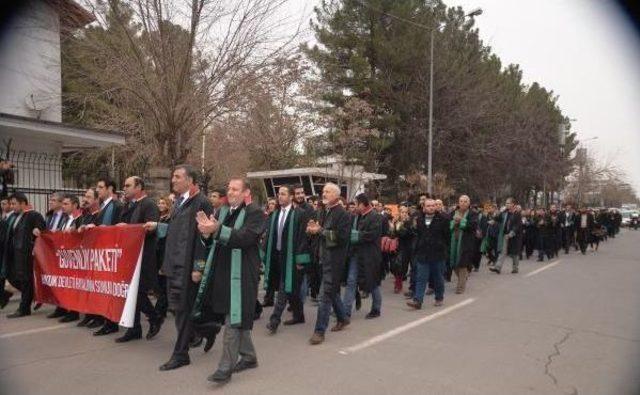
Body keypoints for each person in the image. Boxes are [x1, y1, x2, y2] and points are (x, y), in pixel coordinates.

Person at [192, 177, 265, 384]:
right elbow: (210, 240)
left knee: (233, 318)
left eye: (235, 189)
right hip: (222, 272)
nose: (231, 192)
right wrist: (206, 232)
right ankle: (249, 357)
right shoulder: (222, 211)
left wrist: (216, 230)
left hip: (242, 274)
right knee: (232, 315)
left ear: (245, 193)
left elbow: (244, 238)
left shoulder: (255, 213)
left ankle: (225, 368)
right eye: (229, 189)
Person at [148, 165, 213, 371]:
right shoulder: (178, 201)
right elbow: (176, 234)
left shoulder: (201, 202)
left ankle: (181, 354)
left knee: (183, 309)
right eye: (173, 176)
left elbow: (204, 239)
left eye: (177, 177)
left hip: (187, 268)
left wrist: (198, 268)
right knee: (176, 308)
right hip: (173, 265)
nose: (173, 180)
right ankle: (207, 330)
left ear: (190, 180)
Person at [114, 176, 163, 343]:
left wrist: (127, 228)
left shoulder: (149, 204)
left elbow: (152, 228)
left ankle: (154, 316)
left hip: (145, 255)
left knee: (139, 292)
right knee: (130, 293)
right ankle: (134, 328)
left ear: (139, 187)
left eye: (128, 185)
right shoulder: (129, 205)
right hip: (131, 255)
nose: (125, 188)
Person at [263, 185, 311, 334]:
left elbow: (303, 239)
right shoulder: (274, 214)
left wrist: (300, 260)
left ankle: (274, 320)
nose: (280, 196)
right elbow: (269, 237)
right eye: (279, 194)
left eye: (283, 194)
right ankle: (299, 315)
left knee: (285, 287)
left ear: (291, 197)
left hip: (291, 257)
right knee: (292, 289)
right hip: (276, 255)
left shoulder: (300, 214)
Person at [307, 183, 351, 345]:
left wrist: (320, 231)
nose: (323, 194)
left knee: (324, 295)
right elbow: (318, 233)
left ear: (337, 195)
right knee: (331, 292)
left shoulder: (343, 215)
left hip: (333, 261)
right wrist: (311, 230)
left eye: (328, 191)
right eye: (323, 191)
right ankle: (343, 318)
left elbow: (341, 238)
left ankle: (319, 331)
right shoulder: (322, 211)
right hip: (320, 258)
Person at [91, 177, 124, 336]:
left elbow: (120, 228)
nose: (98, 190)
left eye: (100, 187)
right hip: (102, 253)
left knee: (110, 290)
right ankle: (107, 321)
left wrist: (107, 229)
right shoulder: (103, 206)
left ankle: (111, 323)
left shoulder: (117, 206)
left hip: (112, 254)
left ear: (110, 189)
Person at [343, 193, 383, 319]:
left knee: (372, 283)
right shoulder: (356, 216)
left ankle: (376, 308)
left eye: (356, 204)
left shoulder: (375, 217)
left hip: (370, 256)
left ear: (362, 204)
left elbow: (373, 235)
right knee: (351, 281)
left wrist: (357, 236)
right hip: (356, 254)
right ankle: (346, 311)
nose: (354, 207)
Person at [5, 193, 45, 318]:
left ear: (23, 203)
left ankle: (24, 308)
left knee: (25, 280)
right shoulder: (16, 216)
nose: (12, 206)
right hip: (15, 254)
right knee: (14, 278)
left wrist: (37, 230)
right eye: (11, 204)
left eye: (14, 204)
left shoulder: (33, 215)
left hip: (26, 254)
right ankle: (32, 296)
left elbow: (42, 228)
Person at [407, 198, 449, 309]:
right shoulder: (419, 219)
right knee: (421, 277)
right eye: (428, 205)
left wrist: (442, 247)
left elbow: (447, 236)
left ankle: (439, 297)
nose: (431, 207)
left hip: (438, 254)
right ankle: (418, 301)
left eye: (433, 205)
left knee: (438, 278)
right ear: (424, 207)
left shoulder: (443, 219)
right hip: (423, 253)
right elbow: (417, 234)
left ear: (436, 207)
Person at [448, 195, 477, 294]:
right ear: (458, 202)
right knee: (454, 264)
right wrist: (453, 222)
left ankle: (460, 287)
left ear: (469, 203)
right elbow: (448, 224)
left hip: (465, 243)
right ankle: (464, 277)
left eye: (465, 201)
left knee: (462, 264)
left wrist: (461, 221)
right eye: (461, 201)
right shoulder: (453, 212)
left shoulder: (472, 214)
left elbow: (473, 226)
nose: (463, 203)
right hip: (453, 242)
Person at [490, 198, 523, 274]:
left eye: (508, 203)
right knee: (502, 251)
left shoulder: (517, 214)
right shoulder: (505, 212)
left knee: (515, 253)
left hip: (514, 236)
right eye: (506, 203)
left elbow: (517, 226)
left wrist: (511, 233)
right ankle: (498, 267)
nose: (506, 205)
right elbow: (497, 218)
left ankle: (515, 268)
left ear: (513, 204)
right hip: (505, 235)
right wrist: (496, 216)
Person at [390, 205, 414, 294]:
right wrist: (393, 227)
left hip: (409, 247)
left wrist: (400, 227)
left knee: (409, 267)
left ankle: (412, 287)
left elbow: (407, 234)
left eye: (405, 212)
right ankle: (398, 285)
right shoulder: (396, 222)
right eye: (402, 212)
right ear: (399, 213)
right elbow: (392, 235)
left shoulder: (410, 222)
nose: (404, 214)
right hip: (399, 247)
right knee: (398, 267)